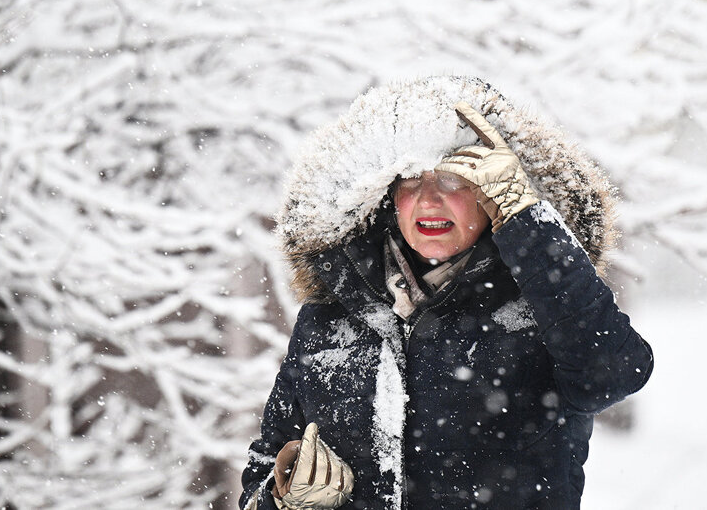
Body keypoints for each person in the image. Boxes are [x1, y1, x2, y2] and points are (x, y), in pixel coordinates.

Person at [239, 76, 653, 510]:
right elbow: (265, 467)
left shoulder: (539, 307)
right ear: (385, 196)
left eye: (455, 180)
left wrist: (526, 219)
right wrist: (283, 499)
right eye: (411, 179)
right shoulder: (332, 318)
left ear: (491, 192)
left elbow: (614, 373)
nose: (430, 200)